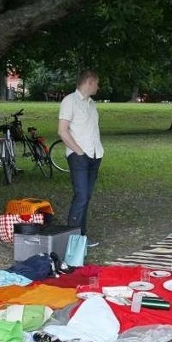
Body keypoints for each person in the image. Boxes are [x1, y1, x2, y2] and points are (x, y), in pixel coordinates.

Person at [58, 70, 104, 246]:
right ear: (89, 82)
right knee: (81, 195)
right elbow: (62, 130)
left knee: (86, 196)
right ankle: (72, 239)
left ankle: (81, 236)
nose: (98, 87)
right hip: (79, 156)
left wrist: (96, 152)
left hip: (95, 154)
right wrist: (78, 151)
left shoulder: (92, 104)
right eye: (97, 83)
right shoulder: (70, 101)